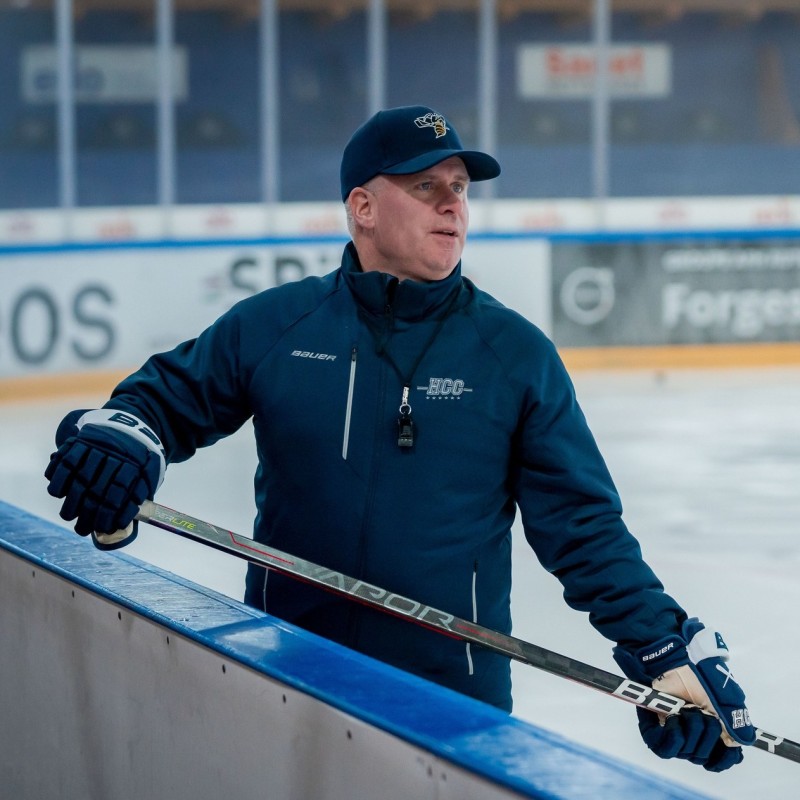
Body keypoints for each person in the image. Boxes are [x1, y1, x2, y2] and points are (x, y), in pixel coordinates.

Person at [46, 105, 754, 772]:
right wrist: (125, 440)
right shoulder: (279, 326)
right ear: (363, 207)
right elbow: (163, 401)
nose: (453, 205)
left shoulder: (512, 356)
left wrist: (660, 645)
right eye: (425, 186)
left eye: (459, 188)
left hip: (453, 709)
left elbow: (582, 525)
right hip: (282, 679)